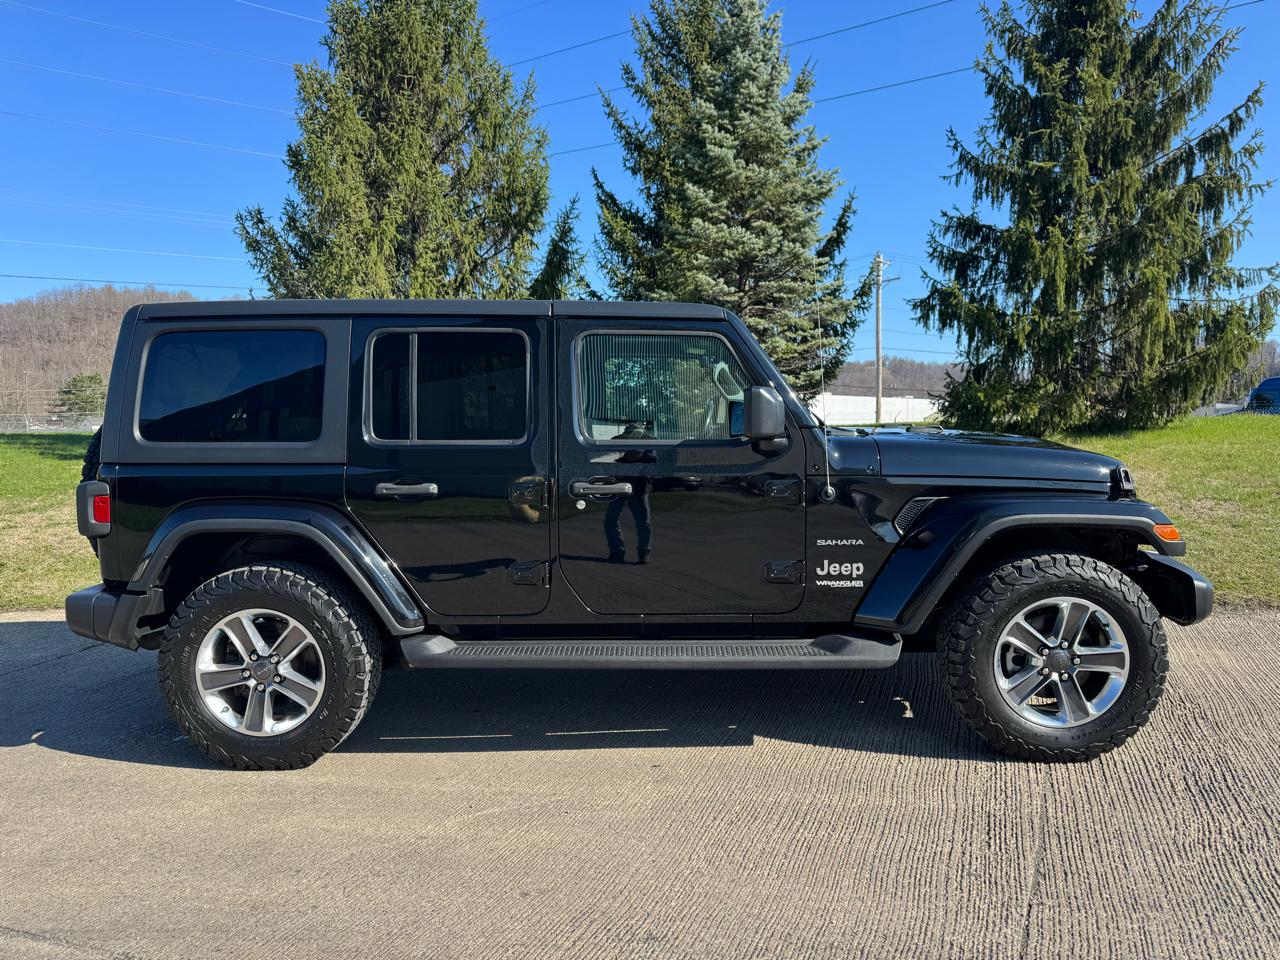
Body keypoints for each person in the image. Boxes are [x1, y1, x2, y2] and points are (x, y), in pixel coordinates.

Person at [604, 422, 653, 564]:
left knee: (644, 523)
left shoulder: (649, 453)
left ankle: (643, 553)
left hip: (638, 489)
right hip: (619, 487)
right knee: (611, 521)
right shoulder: (618, 449)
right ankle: (617, 552)